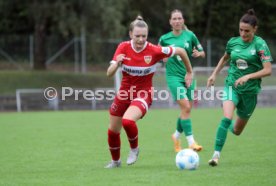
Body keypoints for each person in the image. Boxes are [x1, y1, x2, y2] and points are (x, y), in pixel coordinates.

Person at [105, 16, 193, 168]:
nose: (140, 39)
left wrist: (189, 72)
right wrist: (117, 63)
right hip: (124, 94)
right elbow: (109, 73)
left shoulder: (154, 50)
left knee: (127, 121)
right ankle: (115, 162)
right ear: (130, 34)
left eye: (144, 36)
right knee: (113, 131)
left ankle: (134, 149)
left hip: (143, 94)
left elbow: (180, 51)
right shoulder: (123, 47)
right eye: (137, 36)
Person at [207, 9, 272, 166]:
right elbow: (225, 58)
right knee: (226, 118)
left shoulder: (260, 45)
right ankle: (215, 156)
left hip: (250, 93)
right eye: (241, 30)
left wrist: (248, 76)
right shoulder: (233, 42)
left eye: (247, 31)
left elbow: (268, 70)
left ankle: (228, 129)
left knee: (236, 131)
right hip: (232, 86)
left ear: (255, 29)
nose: (243, 34)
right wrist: (214, 74)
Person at [158, 9, 205, 153]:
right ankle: (191, 142)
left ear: (183, 20)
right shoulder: (164, 38)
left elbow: (202, 53)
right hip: (174, 78)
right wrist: (162, 58)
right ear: (170, 22)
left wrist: (199, 53)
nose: (177, 21)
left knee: (187, 110)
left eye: (179, 18)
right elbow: (156, 54)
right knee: (186, 107)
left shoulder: (190, 35)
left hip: (189, 76)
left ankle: (176, 136)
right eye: (174, 19)